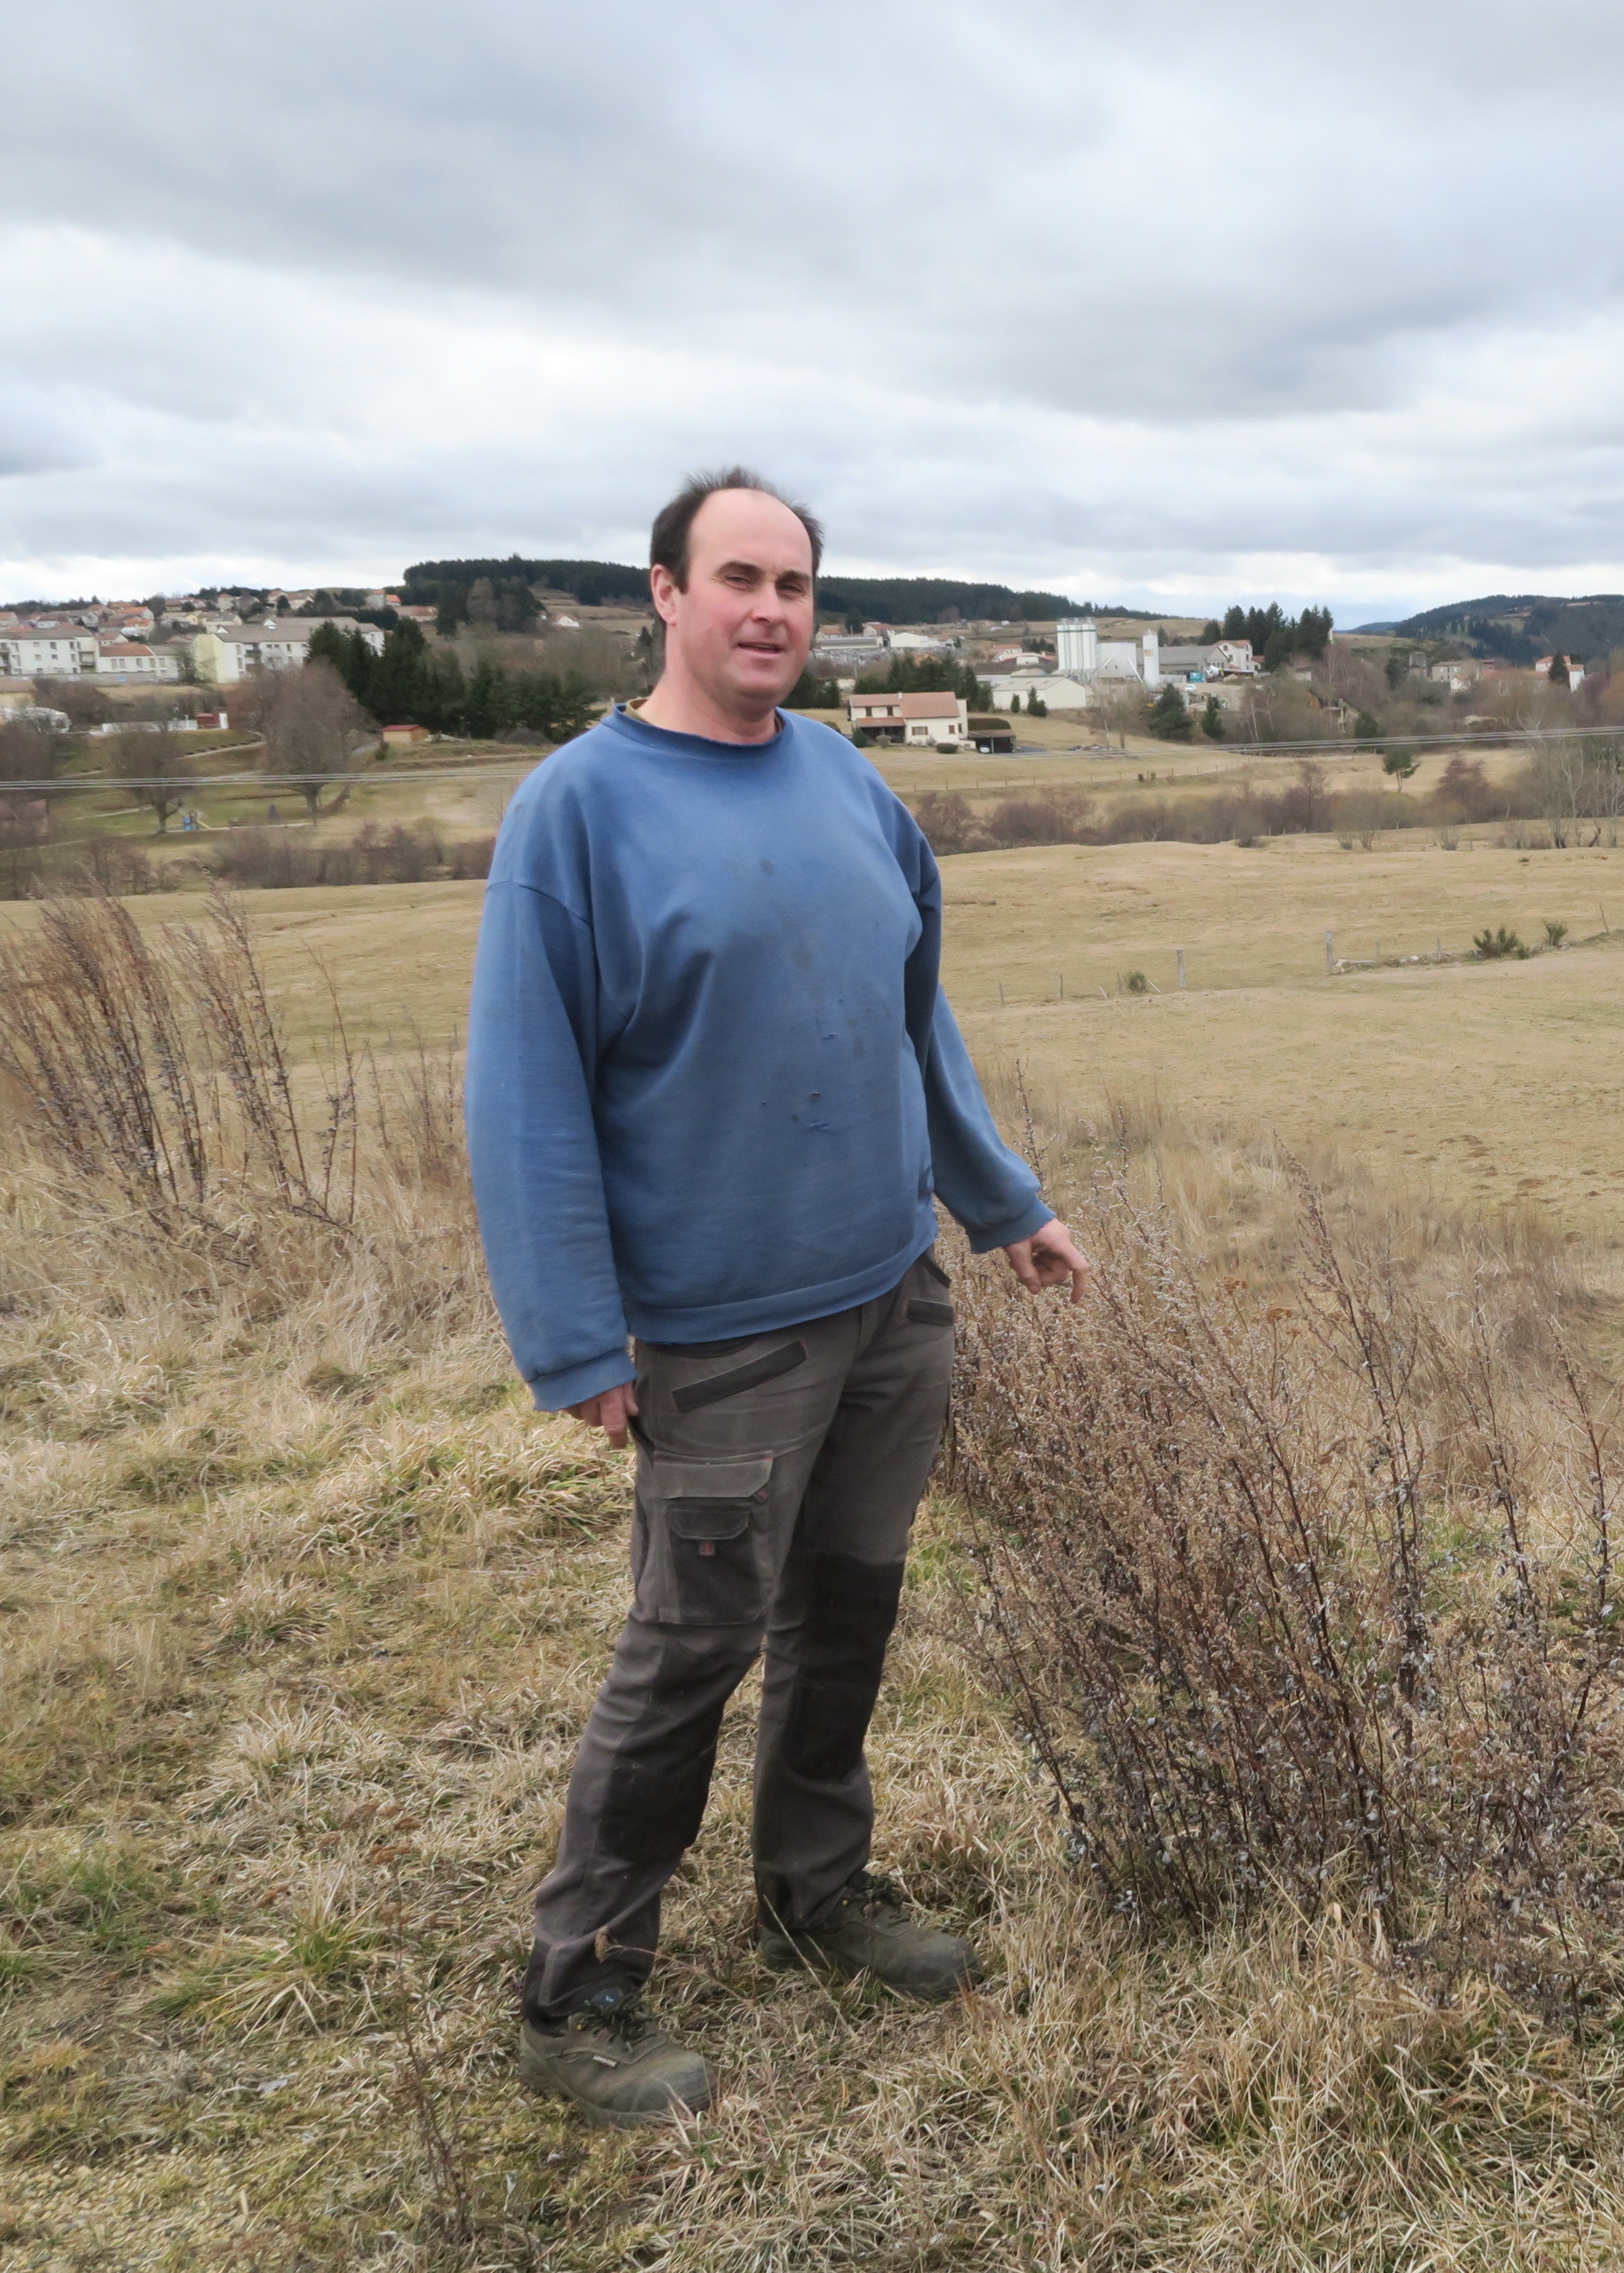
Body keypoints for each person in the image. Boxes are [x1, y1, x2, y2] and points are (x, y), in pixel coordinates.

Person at [466, 467, 1090, 2126]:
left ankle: (816, 1891)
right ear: (661, 595)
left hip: (890, 1296)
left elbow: (915, 1015)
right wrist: (579, 1341)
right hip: (720, 1328)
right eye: (737, 576)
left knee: (851, 1614)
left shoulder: (845, 782)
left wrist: (998, 1200)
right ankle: (581, 1991)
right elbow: (526, 1099)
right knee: (691, 1649)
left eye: (796, 584)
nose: (770, 610)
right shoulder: (577, 815)